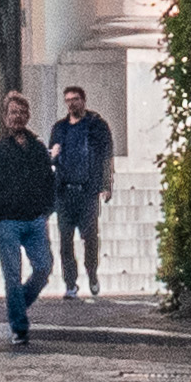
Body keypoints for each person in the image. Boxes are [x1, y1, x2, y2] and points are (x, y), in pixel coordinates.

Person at [0, 97, 60, 344]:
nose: (17, 117)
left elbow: (48, 182)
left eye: (22, 112)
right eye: (13, 112)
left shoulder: (36, 147)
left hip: (35, 220)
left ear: (28, 115)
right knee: (12, 276)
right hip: (7, 222)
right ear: (5, 116)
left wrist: (46, 210)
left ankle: (18, 306)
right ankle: (19, 328)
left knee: (43, 267)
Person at [49, 85, 119, 297]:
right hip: (65, 191)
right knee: (65, 241)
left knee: (90, 237)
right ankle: (70, 283)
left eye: (75, 99)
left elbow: (107, 157)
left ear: (83, 101)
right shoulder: (60, 128)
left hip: (87, 191)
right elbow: (51, 155)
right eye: (68, 100)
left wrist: (106, 185)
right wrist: (53, 155)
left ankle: (92, 272)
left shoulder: (96, 125)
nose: (72, 104)